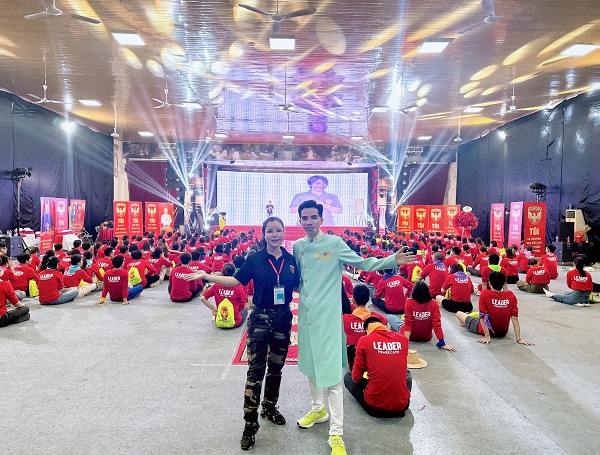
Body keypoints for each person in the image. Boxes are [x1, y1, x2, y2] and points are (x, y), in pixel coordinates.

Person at [293, 200, 415, 455]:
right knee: (311, 369)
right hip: (306, 318)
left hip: (328, 320)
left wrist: (391, 259)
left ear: (322, 219)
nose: (309, 222)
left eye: (313, 217)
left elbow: (363, 264)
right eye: (304, 218)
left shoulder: (335, 244)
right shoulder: (298, 246)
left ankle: (336, 434)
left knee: (333, 379)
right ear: (300, 220)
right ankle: (318, 410)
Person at [186, 217, 300, 451]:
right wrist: (207, 276)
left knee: (276, 368)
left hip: (283, 318)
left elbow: (299, 285)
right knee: (255, 371)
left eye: (278, 230)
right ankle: (250, 424)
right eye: (270, 231)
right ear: (264, 234)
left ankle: (269, 408)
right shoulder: (255, 259)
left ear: (283, 232)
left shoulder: (290, 260)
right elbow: (236, 280)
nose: (275, 235)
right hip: (260, 319)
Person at [344, 316, 411, 418]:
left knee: (347, 377)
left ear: (367, 330)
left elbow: (356, 378)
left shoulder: (364, 341)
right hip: (402, 407)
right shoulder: (403, 339)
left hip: (375, 407)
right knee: (407, 373)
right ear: (384, 326)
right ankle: (399, 396)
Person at [456, 272, 534, 346]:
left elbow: (483, 317)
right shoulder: (511, 295)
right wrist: (519, 339)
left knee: (459, 313)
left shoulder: (484, 293)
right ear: (503, 283)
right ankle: (466, 323)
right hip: (502, 332)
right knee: (474, 318)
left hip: (485, 330)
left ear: (489, 283)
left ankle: (466, 323)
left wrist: (487, 336)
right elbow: (515, 318)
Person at [343, 284, 390, 369]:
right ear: (368, 300)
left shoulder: (345, 319)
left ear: (353, 300)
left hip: (354, 362)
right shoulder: (377, 317)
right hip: (372, 362)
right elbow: (386, 323)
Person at [401, 282, 456, 351]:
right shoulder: (434, 304)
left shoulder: (409, 302)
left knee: (393, 319)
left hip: (411, 337)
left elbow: (408, 324)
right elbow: (437, 324)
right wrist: (442, 342)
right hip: (426, 337)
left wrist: (405, 344)